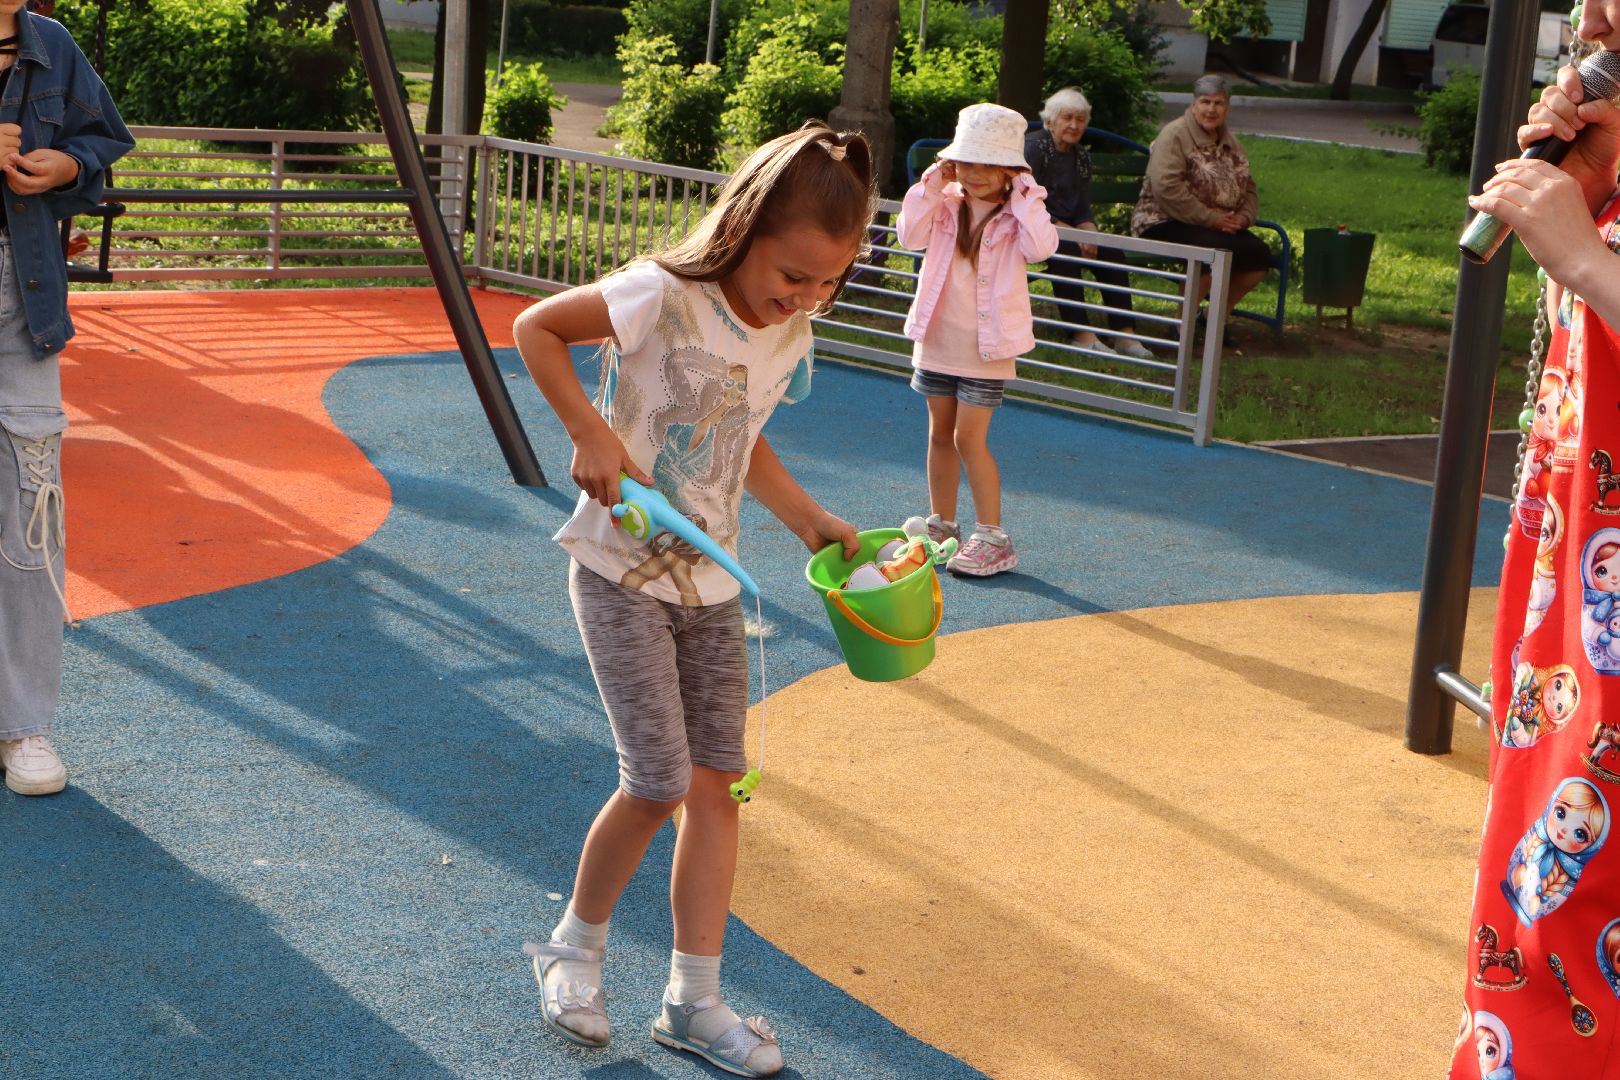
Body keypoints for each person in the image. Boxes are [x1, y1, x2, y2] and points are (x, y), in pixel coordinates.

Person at [511, 120, 873, 1078]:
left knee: (719, 787)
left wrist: (810, 522)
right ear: (747, 228)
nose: (806, 296)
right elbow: (534, 328)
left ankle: (694, 1000)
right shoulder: (662, 295)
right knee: (658, 780)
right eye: (793, 274)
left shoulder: (788, 329)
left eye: (828, 281)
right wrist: (589, 434)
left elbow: (741, 442)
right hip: (618, 571)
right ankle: (572, 950)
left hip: (712, 585)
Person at [1449, 1, 1620, 1071]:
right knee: (1543, 912)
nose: (1595, 11)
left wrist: (1592, 263)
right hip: (1573, 617)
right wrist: (1589, 199)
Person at [0, 1, 134, 795]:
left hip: (23, 297)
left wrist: (70, 168)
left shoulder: (49, 43)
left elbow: (100, 142)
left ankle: (25, 725)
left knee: (31, 507)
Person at [897, 102, 1057, 578]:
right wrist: (932, 182)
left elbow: (1042, 248)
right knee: (938, 434)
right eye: (968, 160)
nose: (978, 172)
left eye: (991, 163)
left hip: (986, 349)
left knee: (970, 438)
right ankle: (942, 527)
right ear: (952, 162)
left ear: (1011, 169)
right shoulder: (944, 204)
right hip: (938, 339)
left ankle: (993, 535)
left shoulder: (1017, 216)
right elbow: (908, 235)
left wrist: (1027, 194)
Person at [1130, 74, 1270, 350]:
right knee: (1208, 252)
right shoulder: (1175, 134)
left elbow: (1249, 189)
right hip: (1163, 219)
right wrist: (1211, 219)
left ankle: (1215, 317)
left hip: (1216, 225)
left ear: (1227, 107)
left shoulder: (1232, 142)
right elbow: (1166, 187)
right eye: (1205, 101)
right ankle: (1182, 324)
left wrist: (1242, 218)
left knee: (1259, 256)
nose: (1211, 109)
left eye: (1218, 103)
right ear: (1194, 104)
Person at [1024, 87, 1154, 361]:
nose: (1074, 125)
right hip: (1029, 228)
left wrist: (1091, 236)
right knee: (1066, 254)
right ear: (1050, 120)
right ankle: (1081, 335)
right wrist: (1073, 234)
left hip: (1066, 230)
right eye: (1067, 117)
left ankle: (1124, 335)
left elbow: (1082, 207)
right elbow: (1028, 203)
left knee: (1111, 252)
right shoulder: (1035, 148)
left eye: (1080, 119)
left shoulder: (1080, 155)